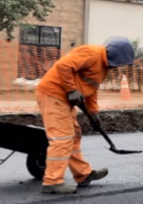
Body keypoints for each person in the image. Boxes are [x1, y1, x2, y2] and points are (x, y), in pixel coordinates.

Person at [34, 37, 135, 194]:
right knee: (62, 138)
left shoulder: (103, 67)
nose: (118, 67)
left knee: (73, 136)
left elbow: (91, 90)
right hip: (53, 94)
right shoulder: (92, 53)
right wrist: (71, 89)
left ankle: (83, 174)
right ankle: (52, 181)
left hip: (64, 99)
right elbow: (63, 66)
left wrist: (94, 113)